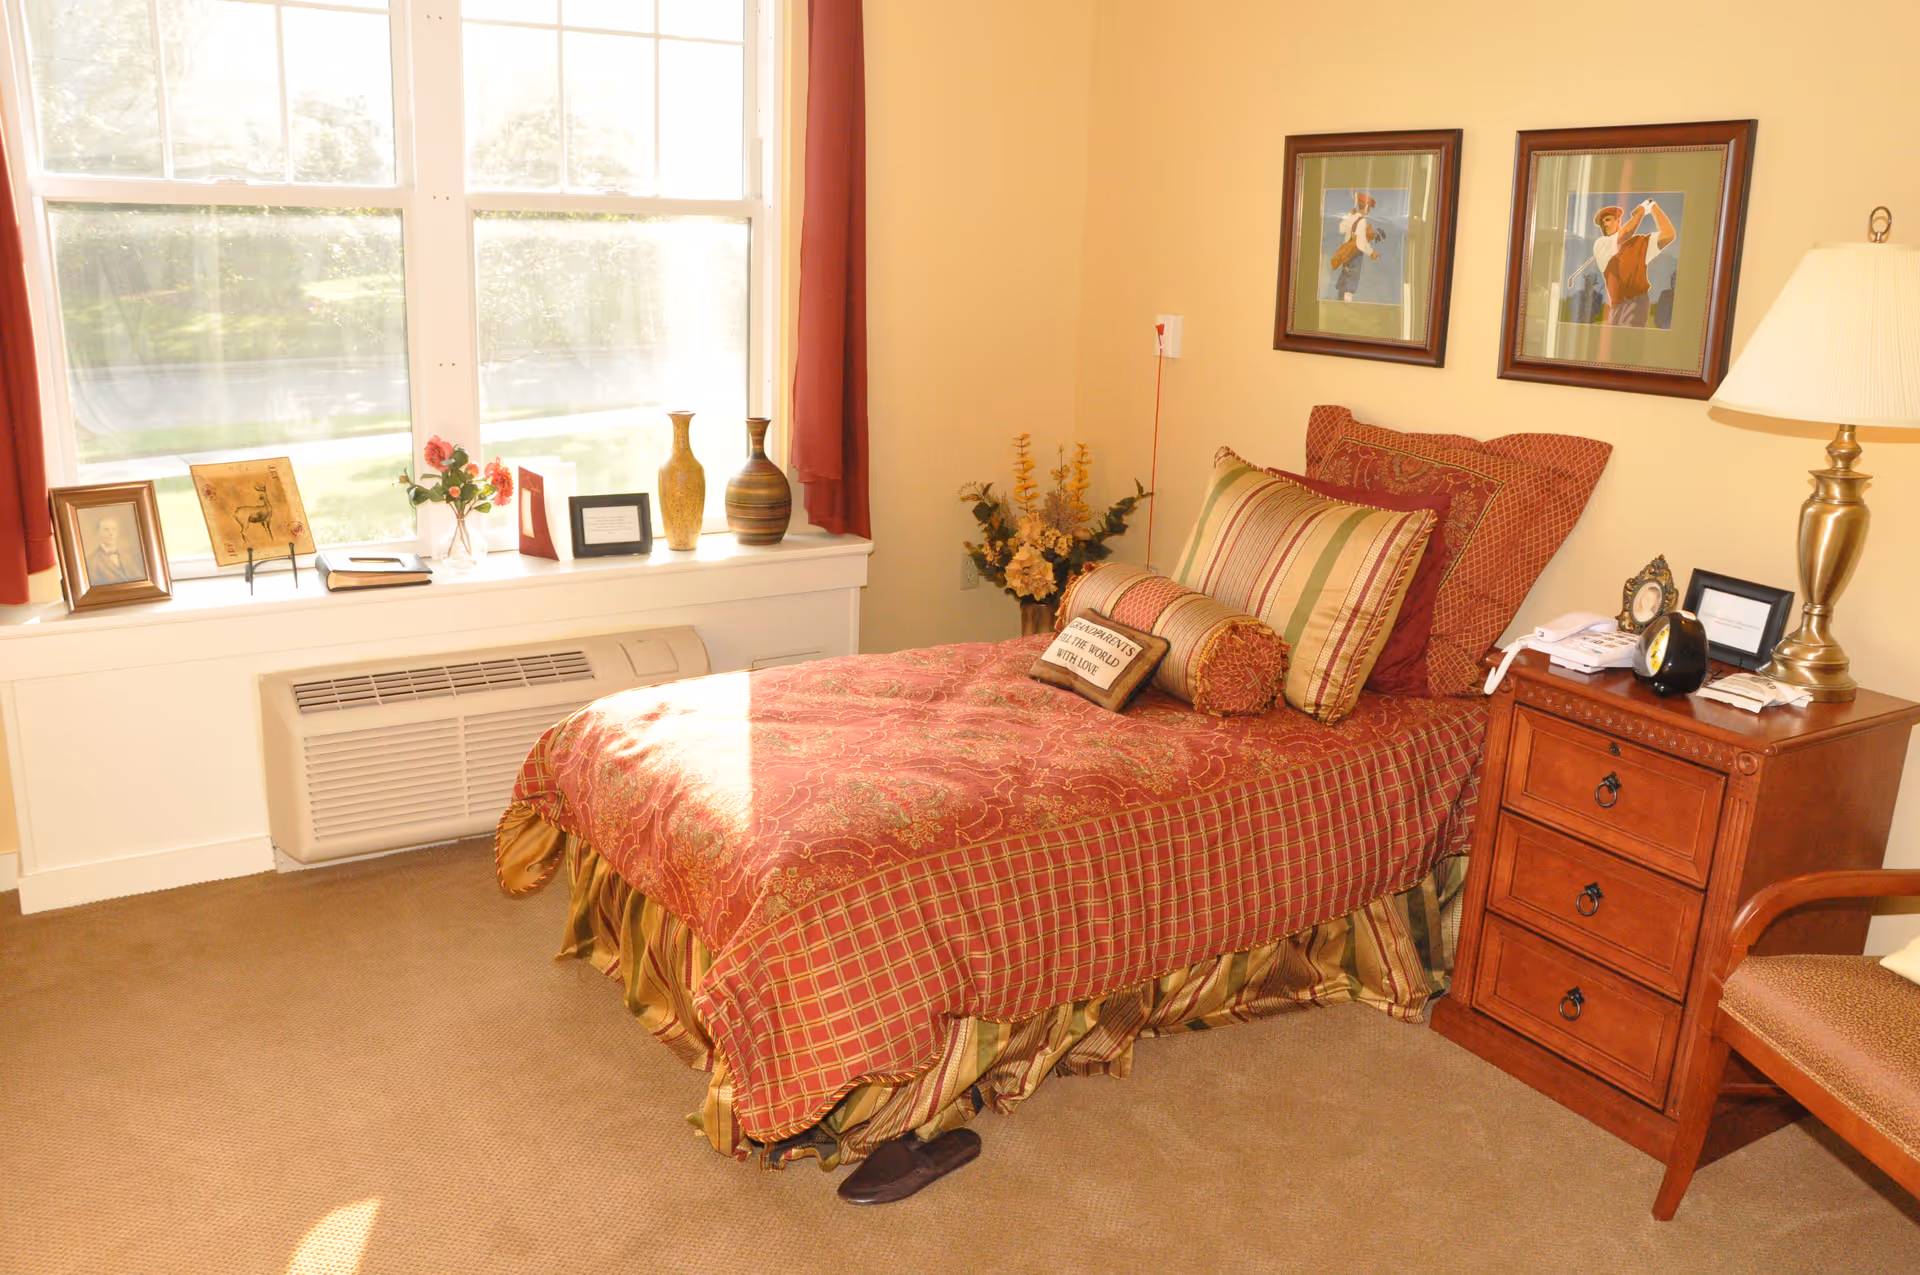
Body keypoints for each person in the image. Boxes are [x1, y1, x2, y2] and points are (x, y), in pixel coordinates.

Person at [1568, 199, 1676, 327]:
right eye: (1601, 223)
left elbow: (1669, 234)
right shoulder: (1601, 244)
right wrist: (1641, 211)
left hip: (1636, 302)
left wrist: (1654, 208)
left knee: (1628, 336)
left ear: (1618, 220)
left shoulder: (1638, 242)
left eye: (1607, 220)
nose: (1604, 224)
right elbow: (1625, 234)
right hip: (1616, 306)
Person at [1330, 192, 1386, 301]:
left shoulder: (1351, 217)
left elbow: (1341, 228)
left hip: (1347, 251)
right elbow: (1361, 243)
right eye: (1369, 208)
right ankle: (1347, 300)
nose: (1369, 211)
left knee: (1346, 272)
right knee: (1352, 276)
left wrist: (1349, 217)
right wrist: (1371, 252)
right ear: (1365, 207)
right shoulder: (1362, 221)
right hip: (1355, 253)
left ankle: (1341, 297)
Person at [85, 514, 143, 586]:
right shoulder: (91, 560)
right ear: (98, 533)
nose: (111, 533)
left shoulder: (130, 555)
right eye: (106, 530)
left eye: (113, 529)